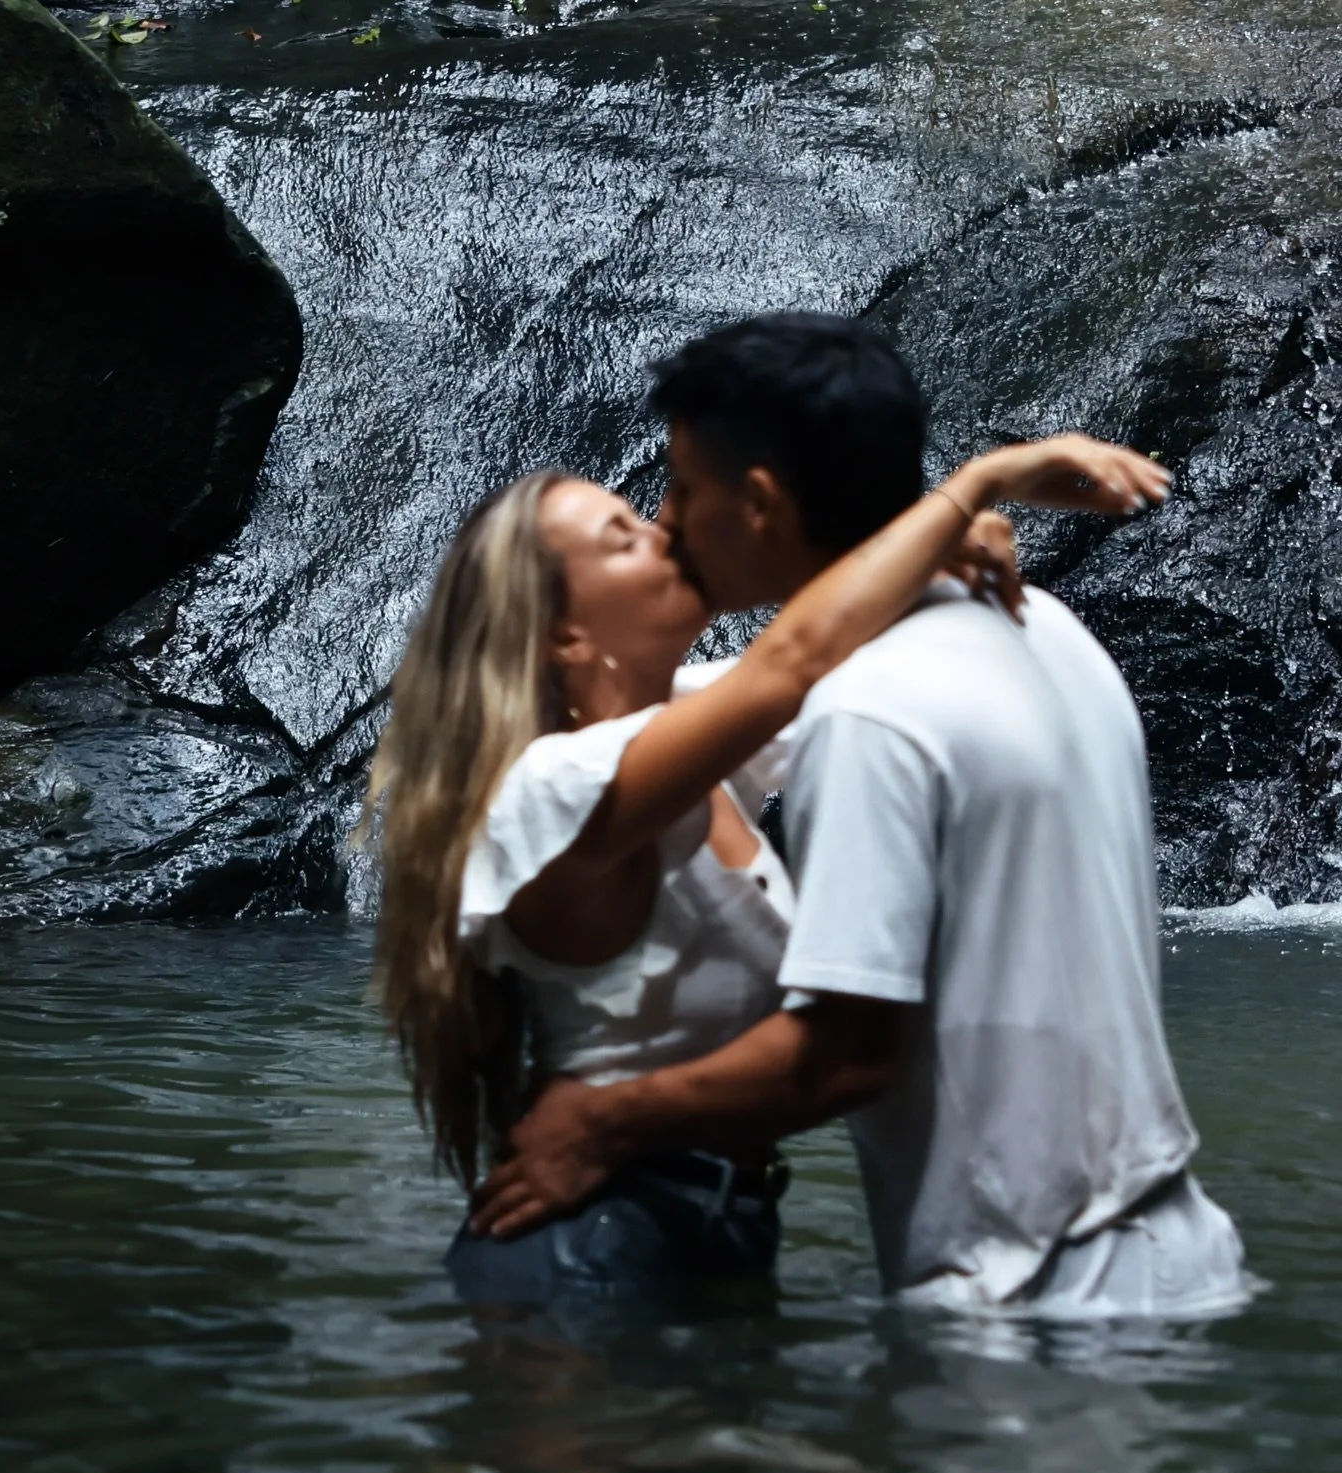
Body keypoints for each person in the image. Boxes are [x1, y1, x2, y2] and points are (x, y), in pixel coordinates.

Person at [472, 314, 1248, 1320]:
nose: (667, 525)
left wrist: (600, 1125)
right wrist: (953, 511)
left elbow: (845, 1054)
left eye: (678, 494)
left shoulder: (862, 712)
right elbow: (783, 666)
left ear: (756, 505)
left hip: (1026, 1293)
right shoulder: (1044, 624)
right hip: (1174, 1251)